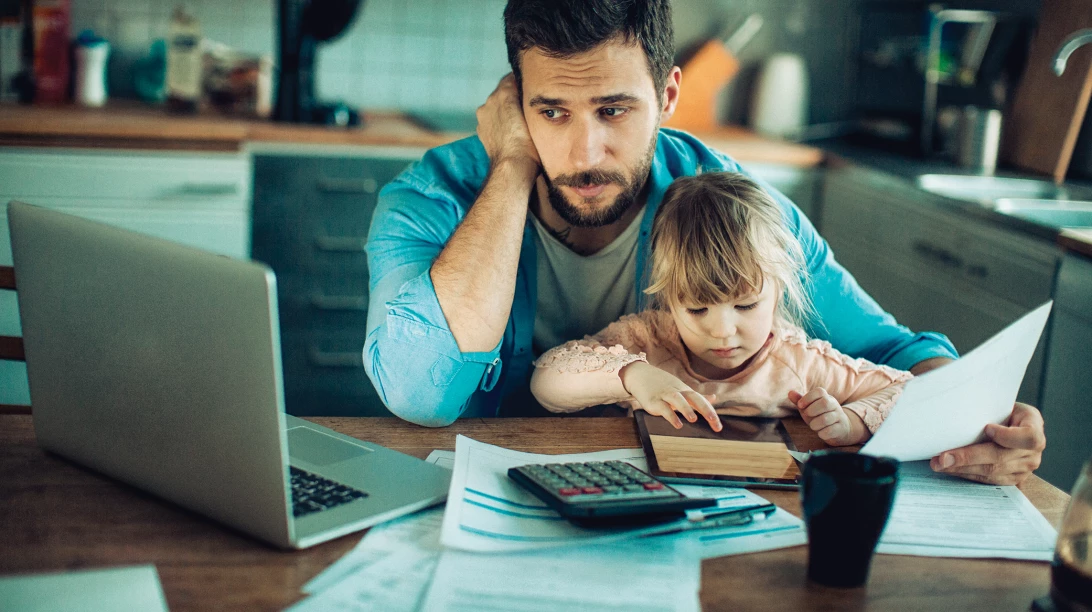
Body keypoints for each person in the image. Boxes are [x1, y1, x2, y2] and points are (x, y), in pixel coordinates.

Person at [363, 0, 1045, 485]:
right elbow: (420, 391)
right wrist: (511, 166)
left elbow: (894, 352)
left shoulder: (725, 204)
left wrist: (976, 420)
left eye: (614, 110)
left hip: (672, 505)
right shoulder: (433, 197)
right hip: (475, 500)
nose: (583, 152)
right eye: (551, 112)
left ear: (667, 95)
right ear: (514, 104)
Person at [531, 172, 912, 446]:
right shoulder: (647, 340)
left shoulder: (800, 362)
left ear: (778, 291)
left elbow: (908, 391)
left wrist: (851, 423)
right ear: (668, 296)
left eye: (745, 305)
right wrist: (633, 376)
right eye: (697, 310)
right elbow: (545, 383)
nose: (723, 331)